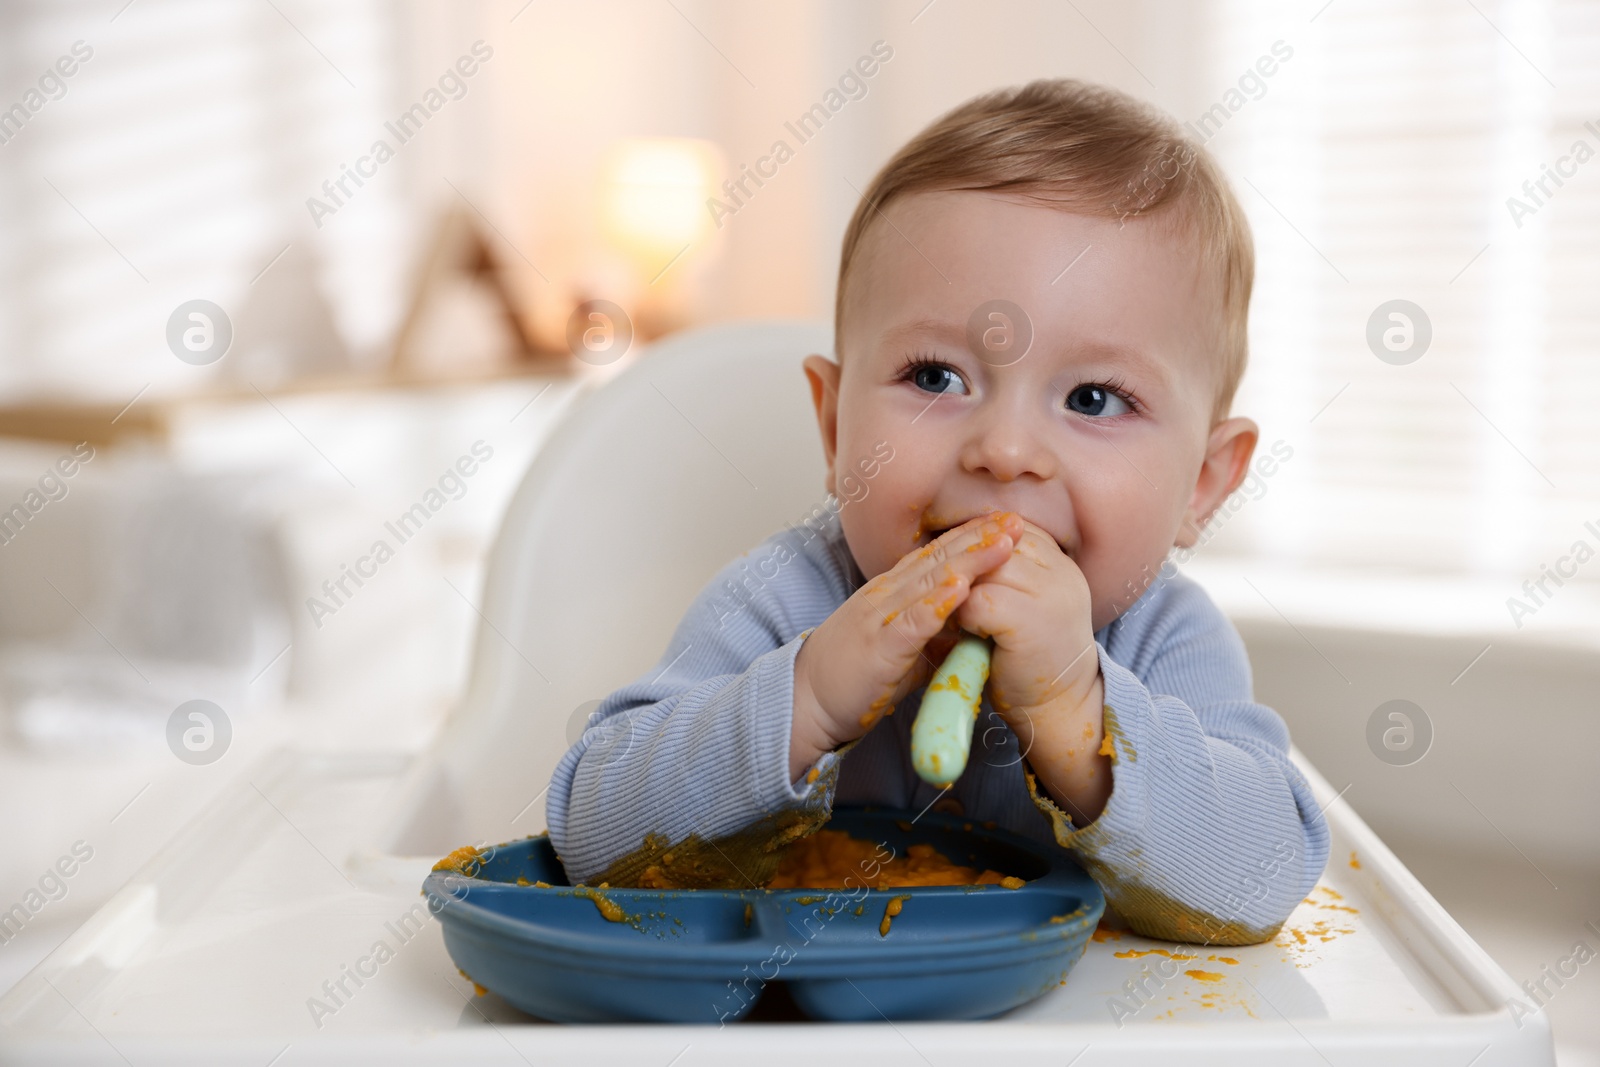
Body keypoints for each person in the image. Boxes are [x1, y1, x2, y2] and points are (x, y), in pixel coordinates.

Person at [546, 78, 1328, 945]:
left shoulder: (1166, 635)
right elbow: (592, 833)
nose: (1005, 448)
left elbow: (1265, 873)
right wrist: (806, 698)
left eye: (1097, 397)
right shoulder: (783, 599)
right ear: (837, 423)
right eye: (936, 378)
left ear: (1205, 483)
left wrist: (1079, 713)